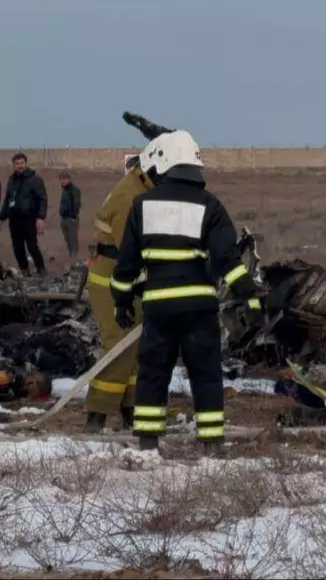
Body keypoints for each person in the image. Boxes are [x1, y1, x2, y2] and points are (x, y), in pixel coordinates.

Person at [110, 130, 261, 455]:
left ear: (162, 162)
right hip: (198, 307)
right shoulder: (210, 205)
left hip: (158, 307)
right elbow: (227, 261)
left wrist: (121, 302)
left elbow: (125, 267)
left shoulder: (142, 205)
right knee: (205, 375)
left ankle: (148, 443)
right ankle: (212, 443)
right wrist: (249, 295)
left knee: (153, 373)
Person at [83, 140, 163, 432]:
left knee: (135, 346)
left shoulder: (141, 187)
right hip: (112, 281)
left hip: (128, 279)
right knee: (118, 343)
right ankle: (97, 413)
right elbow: (132, 250)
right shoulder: (132, 198)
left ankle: (130, 408)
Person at [0, 153, 48, 276]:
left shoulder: (35, 180)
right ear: (13, 165)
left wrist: (41, 217)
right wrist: (2, 215)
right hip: (14, 219)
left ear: (26, 164)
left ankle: (41, 269)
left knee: (32, 246)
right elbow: (8, 199)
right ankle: (25, 271)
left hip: (29, 218)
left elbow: (42, 199)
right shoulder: (12, 180)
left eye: (22, 163)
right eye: (17, 164)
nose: (20, 166)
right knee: (18, 249)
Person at [58, 170, 82, 260]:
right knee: (67, 238)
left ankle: (74, 258)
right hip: (63, 218)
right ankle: (71, 256)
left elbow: (77, 204)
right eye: (61, 179)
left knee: (73, 239)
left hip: (71, 219)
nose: (63, 181)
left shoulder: (74, 190)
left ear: (69, 179)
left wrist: (73, 216)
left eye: (65, 179)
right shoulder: (64, 190)